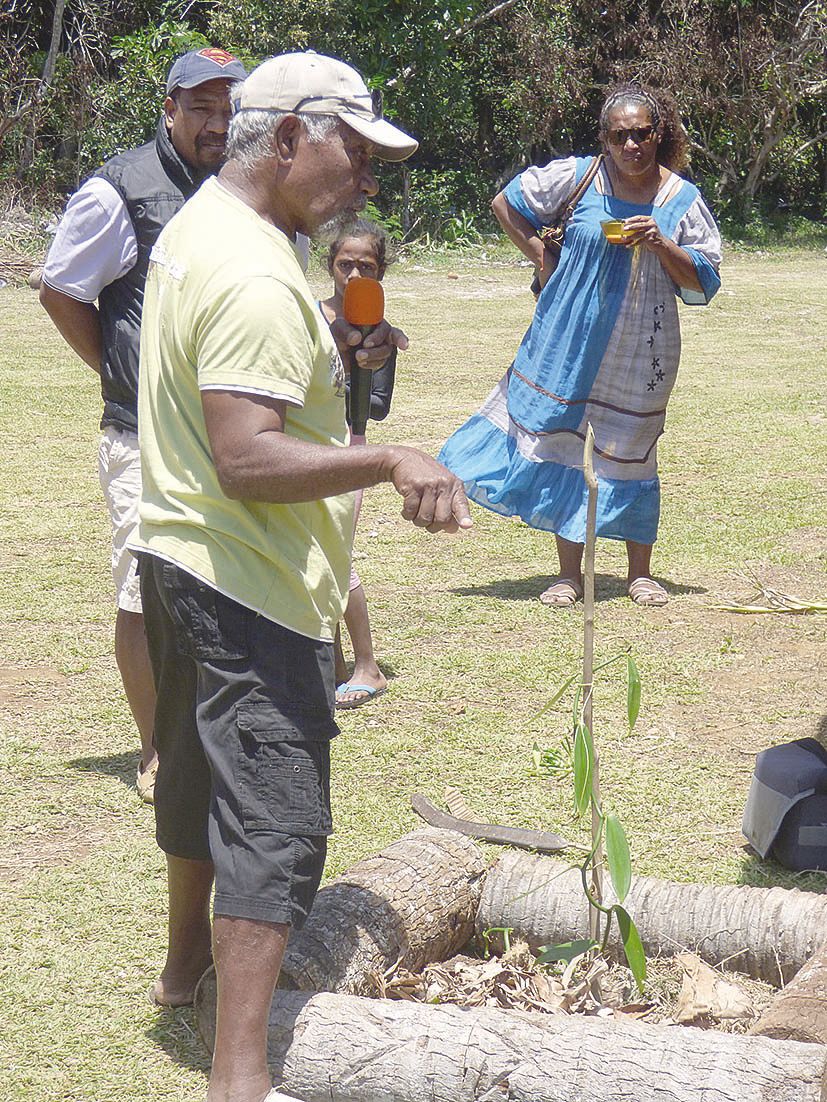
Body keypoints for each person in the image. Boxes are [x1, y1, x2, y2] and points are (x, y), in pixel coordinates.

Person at [131, 52, 471, 1102]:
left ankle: (182, 969)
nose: (365, 177)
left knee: (195, 780)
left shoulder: (211, 226)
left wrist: (336, 353)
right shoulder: (250, 268)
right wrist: (389, 454)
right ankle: (239, 1077)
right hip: (248, 583)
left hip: (176, 556)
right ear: (286, 137)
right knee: (275, 820)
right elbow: (247, 455)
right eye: (352, 151)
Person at [39, 47, 248, 802]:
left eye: (230, 108)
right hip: (142, 434)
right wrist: (120, 372)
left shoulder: (244, 184)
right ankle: (156, 746)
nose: (217, 123)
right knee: (143, 591)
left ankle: (222, 732)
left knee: (224, 581)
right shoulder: (121, 190)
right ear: (168, 108)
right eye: (201, 107)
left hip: (232, 431)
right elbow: (63, 289)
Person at [439, 81, 722, 608]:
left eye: (641, 134)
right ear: (605, 139)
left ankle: (640, 573)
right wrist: (541, 258)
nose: (631, 146)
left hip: (642, 345)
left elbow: (704, 277)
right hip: (567, 337)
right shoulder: (578, 176)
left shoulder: (680, 199)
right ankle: (569, 574)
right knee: (567, 445)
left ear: (659, 133)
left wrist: (661, 241)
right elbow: (508, 202)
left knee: (634, 450)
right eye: (620, 136)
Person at [320, 219, 399, 708]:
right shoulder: (306, 314)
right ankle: (330, 661)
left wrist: (364, 361)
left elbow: (378, 404)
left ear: (380, 272)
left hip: (350, 446)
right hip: (306, 444)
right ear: (329, 265)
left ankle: (367, 665)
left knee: (336, 556)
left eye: (365, 266)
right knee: (310, 553)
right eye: (345, 264)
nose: (353, 274)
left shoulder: (379, 326)